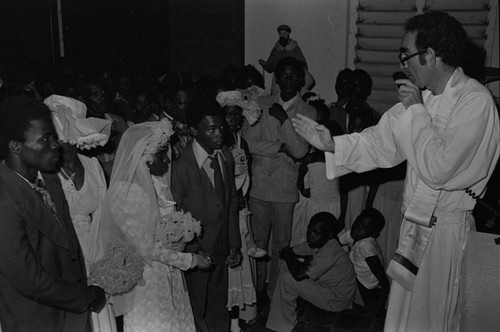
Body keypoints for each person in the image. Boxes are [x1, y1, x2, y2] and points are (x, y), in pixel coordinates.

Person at [292, 11, 500, 331]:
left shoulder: (475, 102)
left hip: (445, 234)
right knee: (404, 317)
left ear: (430, 55)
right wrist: (332, 143)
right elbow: (379, 143)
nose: (402, 64)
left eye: (407, 55)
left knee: (433, 318)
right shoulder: (422, 98)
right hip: (415, 227)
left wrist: (416, 110)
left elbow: (438, 169)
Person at [0, 97, 106, 332]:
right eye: (45, 139)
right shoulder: (4, 198)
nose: (56, 145)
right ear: (16, 146)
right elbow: (31, 281)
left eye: (54, 137)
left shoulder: (49, 178)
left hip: (73, 317)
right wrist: (87, 297)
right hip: (37, 320)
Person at [94, 118, 209, 331]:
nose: (168, 159)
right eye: (161, 153)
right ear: (145, 157)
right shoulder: (126, 192)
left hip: (169, 275)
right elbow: (146, 248)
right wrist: (190, 260)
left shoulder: (155, 183)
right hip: (147, 282)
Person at [244, 56, 316, 300]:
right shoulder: (262, 103)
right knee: (257, 243)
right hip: (259, 186)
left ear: (300, 80)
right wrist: (279, 148)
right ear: (276, 79)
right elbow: (248, 142)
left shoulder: (308, 111)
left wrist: (284, 120)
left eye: (292, 76)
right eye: (282, 75)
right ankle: (255, 293)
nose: (286, 80)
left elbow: (300, 150)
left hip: (284, 190)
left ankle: (276, 294)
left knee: (281, 245)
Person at [44, 95, 115, 332]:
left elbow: (105, 217)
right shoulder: (45, 173)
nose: (58, 143)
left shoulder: (93, 166)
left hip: (95, 254)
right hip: (63, 259)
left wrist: (109, 261)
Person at [171, 102, 242, 332]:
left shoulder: (225, 157)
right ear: (194, 131)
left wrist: (234, 244)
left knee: (218, 305)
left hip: (221, 248)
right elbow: (174, 214)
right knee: (195, 309)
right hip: (196, 253)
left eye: (221, 128)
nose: (219, 133)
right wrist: (192, 250)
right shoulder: (182, 166)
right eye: (211, 129)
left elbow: (230, 204)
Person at [266, 212, 356, 332]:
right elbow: (296, 250)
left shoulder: (331, 251)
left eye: (316, 233)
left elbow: (298, 276)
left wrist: (288, 257)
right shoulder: (322, 241)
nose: (310, 235)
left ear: (329, 235)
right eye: (309, 230)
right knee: (287, 265)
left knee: (287, 278)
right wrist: (288, 253)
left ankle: (282, 325)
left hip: (337, 299)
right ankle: (278, 303)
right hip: (331, 290)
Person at [291, 100, 343, 246]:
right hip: (315, 204)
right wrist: (302, 187)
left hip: (333, 204)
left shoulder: (338, 160)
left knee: (329, 239)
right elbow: (301, 173)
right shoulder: (311, 158)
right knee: (313, 236)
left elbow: (342, 187)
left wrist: (343, 214)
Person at [338, 208, 390, 301]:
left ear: (373, 234)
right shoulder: (353, 233)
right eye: (357, 222)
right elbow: (336, 242)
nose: (357, 227)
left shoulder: (365, 245)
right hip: (357, 272)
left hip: (365, 282)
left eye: (364, 227)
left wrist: (385, 293)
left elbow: (378, 271)